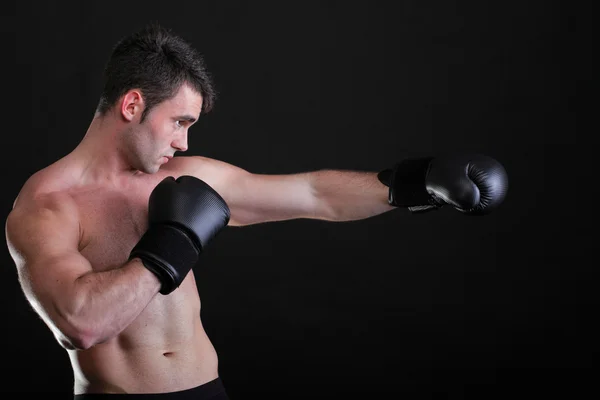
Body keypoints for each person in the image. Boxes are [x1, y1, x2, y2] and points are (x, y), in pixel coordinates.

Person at [4, 23, 508, 399]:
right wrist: (170, 247)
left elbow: (314, 195)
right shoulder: (47, 205)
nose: (184, 142)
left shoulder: (187, 177)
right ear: (132, 105)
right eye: (178, 122)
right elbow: (81, 323)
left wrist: (414, 183)